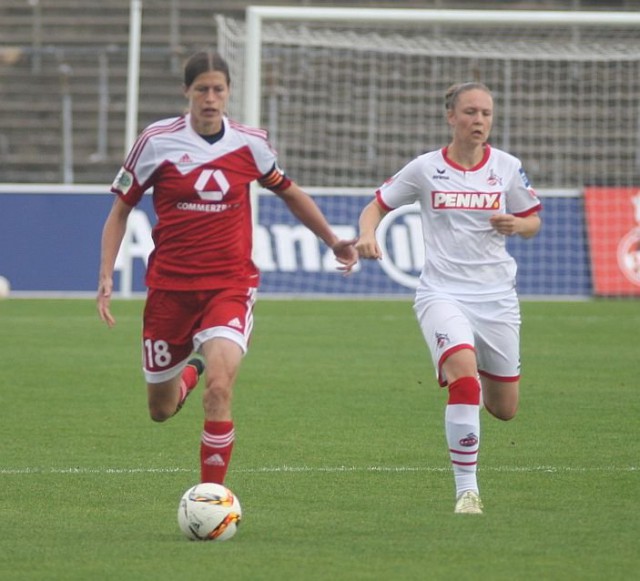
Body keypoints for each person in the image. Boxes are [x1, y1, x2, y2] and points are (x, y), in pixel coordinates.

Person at [97, 50, 357, 485]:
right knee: (160, 411)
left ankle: (211, 498)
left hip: (230, 286)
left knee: (221, 387)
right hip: (170, 289)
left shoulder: (251, 143)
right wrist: (106, 274)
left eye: (219, 89)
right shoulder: (156, 141)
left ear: (229, 92)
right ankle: (190, 369)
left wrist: (333, 240)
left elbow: (289, 193)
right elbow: (121, 209)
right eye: (202, 89)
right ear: (187, 92)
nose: (211, 98)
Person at [355, 82, 542, 514]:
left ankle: (469, 384)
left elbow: (533, 220)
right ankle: (467, 492)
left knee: (505, 409)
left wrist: (517, 223)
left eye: (486, 114)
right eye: (471, 112)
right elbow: (377, 205)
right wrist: (367, 234)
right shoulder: (424, 168)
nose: (479, 121)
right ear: (451, 117)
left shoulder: (507, 167)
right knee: (463, 377)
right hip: (441, 293)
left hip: (496, 298)